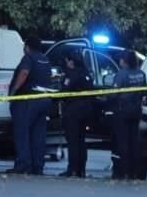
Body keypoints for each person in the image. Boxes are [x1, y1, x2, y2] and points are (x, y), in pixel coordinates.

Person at [9, 35, 53, 175]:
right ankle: (37, 166)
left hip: (28, 100)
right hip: (44, 99)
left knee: (22, 132)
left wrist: (14, 90)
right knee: (38, 134)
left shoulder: (28, 57)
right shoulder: (45, 59)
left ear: (27, 46)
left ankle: (23, 165)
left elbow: (24, 73)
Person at [111, 49, 147, 180]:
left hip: (122, 112)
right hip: (136, 111)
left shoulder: (121, 75)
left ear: (124, 61)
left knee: (123, 142)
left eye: (121, 59)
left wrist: (104, 99)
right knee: (134, 142)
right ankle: (135, 171)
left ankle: (124, 171)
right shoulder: (141, 74)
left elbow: (114, 94)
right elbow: (144, 93)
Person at [59, 49, 95, 178]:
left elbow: (64, 91)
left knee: (73, 141)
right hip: (86, 111)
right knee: (81, 141)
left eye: (67, 61)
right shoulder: (87, 74)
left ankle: (73, 169)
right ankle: (81, 169)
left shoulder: (71, 75)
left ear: (71, 61)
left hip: (73, 111)